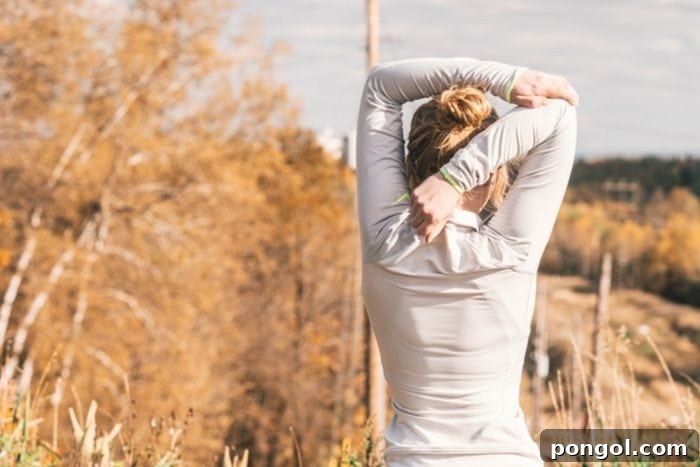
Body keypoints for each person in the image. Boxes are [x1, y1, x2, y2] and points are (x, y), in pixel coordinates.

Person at [355, 57, 579, 466]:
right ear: (495, 174)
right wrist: (456, 178)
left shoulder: (383, 242)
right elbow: (560, 116)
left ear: (408, 165)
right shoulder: (508, 251)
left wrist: (506, 81)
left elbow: (382, 86)